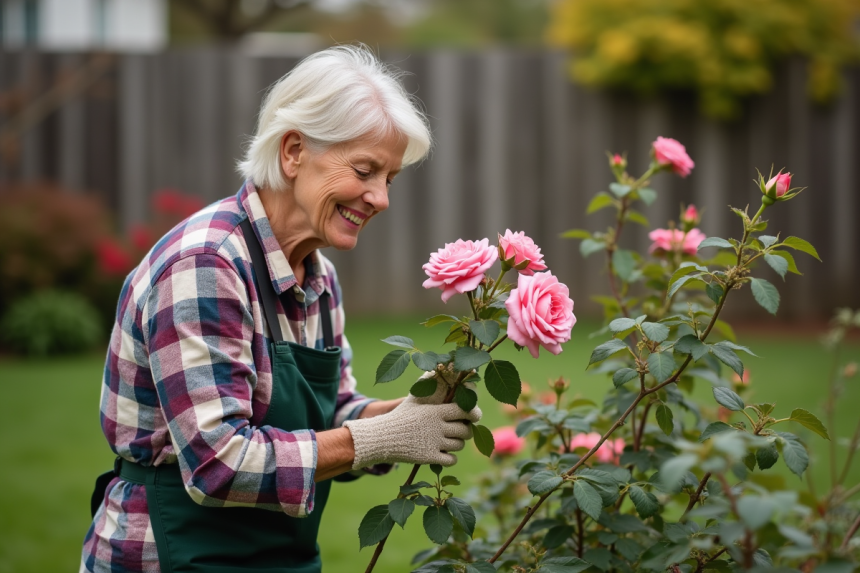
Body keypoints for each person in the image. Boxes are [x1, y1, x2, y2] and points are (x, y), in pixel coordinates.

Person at [81, 46, 481, 573]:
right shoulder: (206, 266)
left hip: (279, 557)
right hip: (173, 554)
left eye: (389, 179)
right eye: (365, 170)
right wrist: (379, 438)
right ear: (294, 151)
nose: (381, 198)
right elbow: (219, 462)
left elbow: (330, 413)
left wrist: (407, 415)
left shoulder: (318, 275)